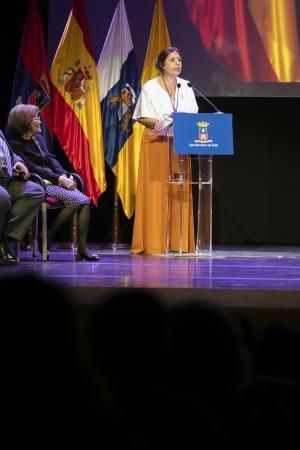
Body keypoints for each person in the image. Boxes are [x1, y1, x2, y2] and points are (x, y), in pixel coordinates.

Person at [7, 104, 99, 261]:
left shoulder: (38, 139)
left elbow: (50, 158)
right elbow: (32, 167)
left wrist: (64, 174)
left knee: (84, 201)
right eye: (36, 118)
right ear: (25, 122)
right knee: (82, 200)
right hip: (39, 183)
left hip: (54, 180)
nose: (40, 121)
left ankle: (81, 246)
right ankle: (50, 235)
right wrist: (59, 179)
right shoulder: (15, 144)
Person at [131, 47, 198, 255]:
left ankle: (178, 242)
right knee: (157, 190)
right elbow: (142, 117)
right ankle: (154, 242)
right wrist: (161, 123)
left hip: (179, 142)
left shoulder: (186, 86)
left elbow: (193, 113)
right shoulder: (150, 87)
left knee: (178, 191)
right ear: (161, 64)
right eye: (172, 60)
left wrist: (180, 123)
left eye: (179, 59)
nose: (178, 63)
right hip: (156, 143)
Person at [0, 129, 45, 265]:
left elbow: (9, 152)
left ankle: (5, 237)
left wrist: (18, 162)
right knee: (3, 198)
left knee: (36, 191)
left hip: (7, 180)